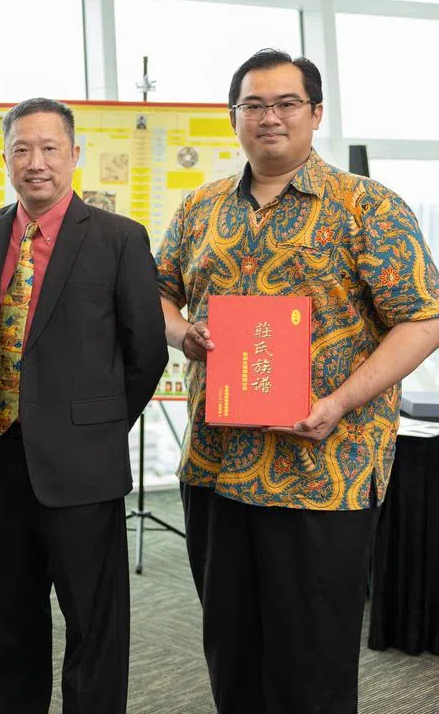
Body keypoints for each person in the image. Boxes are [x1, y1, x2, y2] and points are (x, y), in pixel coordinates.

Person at [155, 48, 439, 714]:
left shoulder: (367, 207)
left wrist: (340, 401)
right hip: (217, 467)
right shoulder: (199, 209)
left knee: (312, 660)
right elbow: (155, 291)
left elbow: (424, 320)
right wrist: (182, 333)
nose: (269, 117)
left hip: (324, 471)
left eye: (286, 103)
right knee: (232, 650)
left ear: (315, 113)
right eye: (253, 105)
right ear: (234, 118)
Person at [0, 97, 166, 714]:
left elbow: (146, 354)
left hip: (83, 467)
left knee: (93, 626)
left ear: (74, 155)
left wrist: (95, 427)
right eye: (22, 149)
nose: (36, 163)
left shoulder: (118, 239)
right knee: (12, 622)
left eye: (50, 148)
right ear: (5, 159)